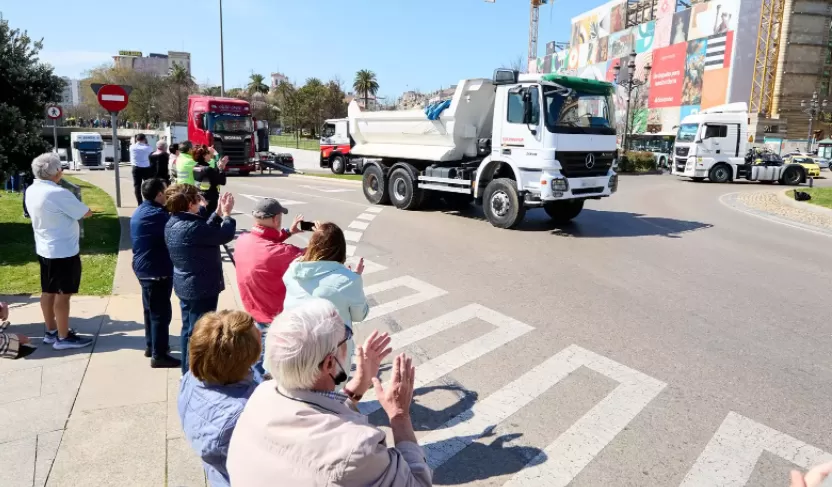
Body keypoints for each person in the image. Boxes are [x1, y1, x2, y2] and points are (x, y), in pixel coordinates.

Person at [227, 299, 429, 487]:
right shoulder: (356, 450)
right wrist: (399, 415)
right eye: (346, 336)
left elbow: (316, 410)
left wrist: (360, 383)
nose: (349, 340)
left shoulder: (261, 395)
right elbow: (417, 483)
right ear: (330, 363)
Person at [178, 310, 263, 487]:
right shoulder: (245, 413)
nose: (260, 332)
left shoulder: (191, 379)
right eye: (257, 335)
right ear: (246, 357)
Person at [24, 152, 94, 349]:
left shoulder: (32, 189)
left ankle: (51, 330)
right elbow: (85, 212)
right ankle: (63, 338)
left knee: (48, 291)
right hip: (62, 250)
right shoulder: (57, 193)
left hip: (45, 247)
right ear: (56, 172)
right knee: (63, 295)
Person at [164, 183, 236, 374]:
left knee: (189, 328)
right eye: (198, 198)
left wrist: (218, 214)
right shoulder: (191, 227)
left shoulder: (174, 221)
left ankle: (186, 371)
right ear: (190, 204)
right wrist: (227, 215)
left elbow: (205, 233)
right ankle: (193, 373)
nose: (202, 201)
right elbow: (223, 235)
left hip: (186, 284)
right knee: (199, 333)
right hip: (200, 287)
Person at [234, 198, 308, 374]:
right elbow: (315, 254)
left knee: (257, 363)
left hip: (253, 312)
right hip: (274, 320)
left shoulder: (242, 240)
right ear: (276, 219)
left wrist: (289, 232)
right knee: (271, 370)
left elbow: (266, 239)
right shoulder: (280, 252)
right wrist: (323, 234)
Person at [283, 222, 369, 365]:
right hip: (328, 356)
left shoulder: (292, 270)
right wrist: (355, 278)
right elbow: (359, 315)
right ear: (341, 249)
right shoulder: (347, 280)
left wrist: (320, 235)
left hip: (293, 347)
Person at [130, 178, 180, 369]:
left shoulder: (143, 209)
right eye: (166, 192)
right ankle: (159, 356)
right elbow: (177, 227)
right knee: (160, 313)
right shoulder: (158, 215)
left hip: (145, 269)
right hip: (155, 270)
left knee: (150, 310)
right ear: (159, 194)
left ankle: (152, 346)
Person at [192, 145, 229, 215]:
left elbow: (212, 178)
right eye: (208, 153)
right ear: (204, 156)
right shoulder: (207, 169)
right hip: (210, 199)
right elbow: (222, 181)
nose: (210, 155)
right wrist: (221, 168)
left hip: (200, 196)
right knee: (211, 220)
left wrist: (218, 168)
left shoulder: (195, 167)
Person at [130, 133, 155, 205]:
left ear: (136, 139)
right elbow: (151, 152)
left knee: (137, 186)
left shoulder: (132, 147)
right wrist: (146, 143)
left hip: (136, 168)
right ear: (144, 139)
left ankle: (139, 203)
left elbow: (133, 144)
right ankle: (149, 201)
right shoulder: (148, 148)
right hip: (146, 168)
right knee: (149, 185)